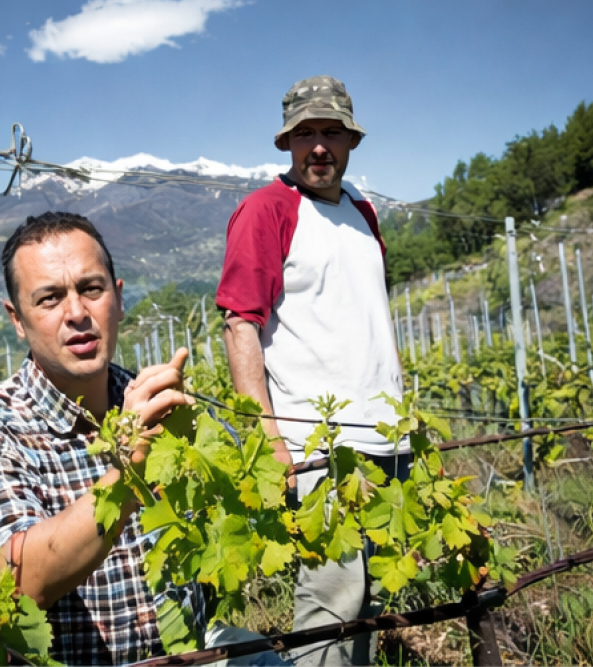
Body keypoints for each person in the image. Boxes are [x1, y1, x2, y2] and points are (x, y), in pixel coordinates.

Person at [0, 211, 204, 665]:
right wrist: (129, 469)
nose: (77, 313)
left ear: (118, 299)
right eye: (49, 298)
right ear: (17, 319)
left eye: (91, 289)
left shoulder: (153, 403)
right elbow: (17, 581)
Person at [215, 76, 409, 666]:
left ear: (352, 141)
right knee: (331, 604)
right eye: (306, 134)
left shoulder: (363, 212)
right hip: (319, 447)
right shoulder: (267, 210)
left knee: (371, 601)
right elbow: (239, 325)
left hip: (387, 441)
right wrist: (268, 438)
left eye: (332, 132)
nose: (319, 146)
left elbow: (368, 321)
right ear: (286, 143)